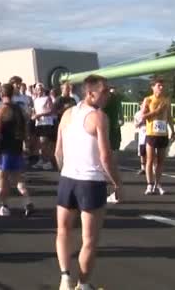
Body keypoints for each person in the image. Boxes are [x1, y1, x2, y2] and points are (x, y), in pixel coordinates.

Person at [54, 75, 122, 290]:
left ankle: (65, 278)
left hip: (68, 179)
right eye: (104, 92)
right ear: (91, 93)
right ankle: (83, 285)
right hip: (91, 182)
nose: (108, 96)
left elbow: (58, 152)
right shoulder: (99, 117)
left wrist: (66, 169)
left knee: (63, 231)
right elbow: (106, 156)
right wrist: (117, 184)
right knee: (89, 239)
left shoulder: (67, 114)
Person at [0, 83, 33, 217]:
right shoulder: (20, 109)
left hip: (4, 148)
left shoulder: (1, 109)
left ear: (1, 94)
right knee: (18, 178)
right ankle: (27, 201)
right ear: (12, 94)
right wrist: (26, 144)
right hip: (17, 147)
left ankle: (4, 206)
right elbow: (26, 127)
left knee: (2, 178)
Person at [141, 78, 175, 195]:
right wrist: (157, 111)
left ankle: (158, 184)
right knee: (150, 160)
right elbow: (143, 117)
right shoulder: (148, 100)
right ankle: (149, 184)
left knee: (161, 161)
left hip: (163, 134)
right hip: (151, 133)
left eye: (163, 86)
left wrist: (173, 131)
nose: (161, 88)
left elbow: (169, 116)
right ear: (153, 87)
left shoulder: (166, 100)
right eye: (159, 85)